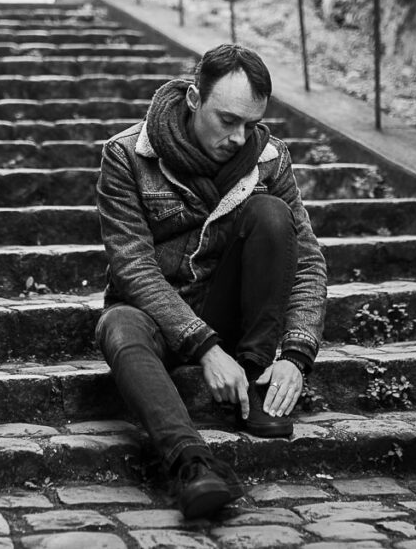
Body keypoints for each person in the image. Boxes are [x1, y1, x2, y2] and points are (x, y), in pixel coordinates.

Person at [94, 43, 327, 519]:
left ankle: (254, 382)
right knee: (117, 325)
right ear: (194, 98)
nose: (240, 138)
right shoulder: (127, 156)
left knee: (271, 213)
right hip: (157, 314)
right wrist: (206, 350)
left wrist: (297, 355)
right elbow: (133, 267)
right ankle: (191, 462)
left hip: (228, 310)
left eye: (251, 123)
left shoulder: (269, 159)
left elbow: (307, 261)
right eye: (227, 121)